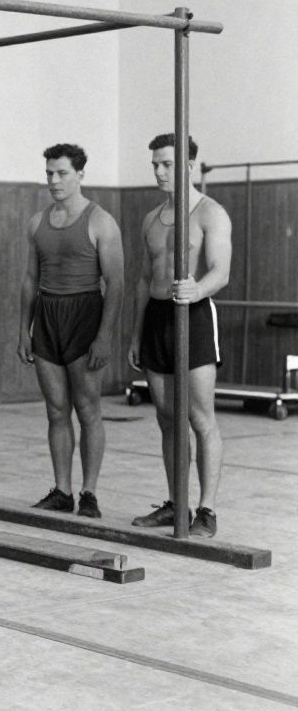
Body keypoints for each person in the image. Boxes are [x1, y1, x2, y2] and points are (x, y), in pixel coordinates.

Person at [128, 133, 231, 537]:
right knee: (168, 418)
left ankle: (206, 510)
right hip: (156, 319)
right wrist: (136, 334)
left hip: (194, 316)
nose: (159, 171)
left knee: (200, 417)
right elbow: (142, 278)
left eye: (167, 164)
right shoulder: (150, 219)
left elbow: (220, 271)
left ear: (188, 164)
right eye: (155, 163)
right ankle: (177, 503)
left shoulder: (211, 213)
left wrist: (197, 290)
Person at [18, 144, 124, 518]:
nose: (54, 180)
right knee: (56, 409)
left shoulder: (100, 221)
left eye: (61, 173)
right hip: (48, 316)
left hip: (85, 315)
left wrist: (104, 336)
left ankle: (89, 493)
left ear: (80, 174)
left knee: (87, 408)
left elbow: (116, 283)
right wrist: (23, 330)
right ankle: (62, 490)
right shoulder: (37, 222)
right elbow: (31, 279)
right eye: (49, 173)